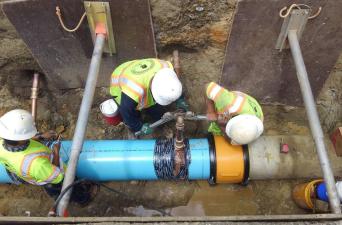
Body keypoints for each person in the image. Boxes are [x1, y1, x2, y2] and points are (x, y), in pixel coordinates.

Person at [0, 109, 95, 207]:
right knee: (72, 189)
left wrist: (40, 137)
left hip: (34, 172)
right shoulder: (35, 164)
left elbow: (17, 139)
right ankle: (83, 199)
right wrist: (56, 152)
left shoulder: (3, 141)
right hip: (52, 179)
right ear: (21, 139)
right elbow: (57, 175)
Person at [110, 58, 188, 135]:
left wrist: (180, 98)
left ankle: (161, 123)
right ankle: (134, 131)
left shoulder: (166, 69)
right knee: (134, 115)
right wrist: (139, 127)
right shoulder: (134, 91)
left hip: (136, 69)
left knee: (157, 109)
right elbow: (126, 111)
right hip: (120, 83)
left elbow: (173, 84)